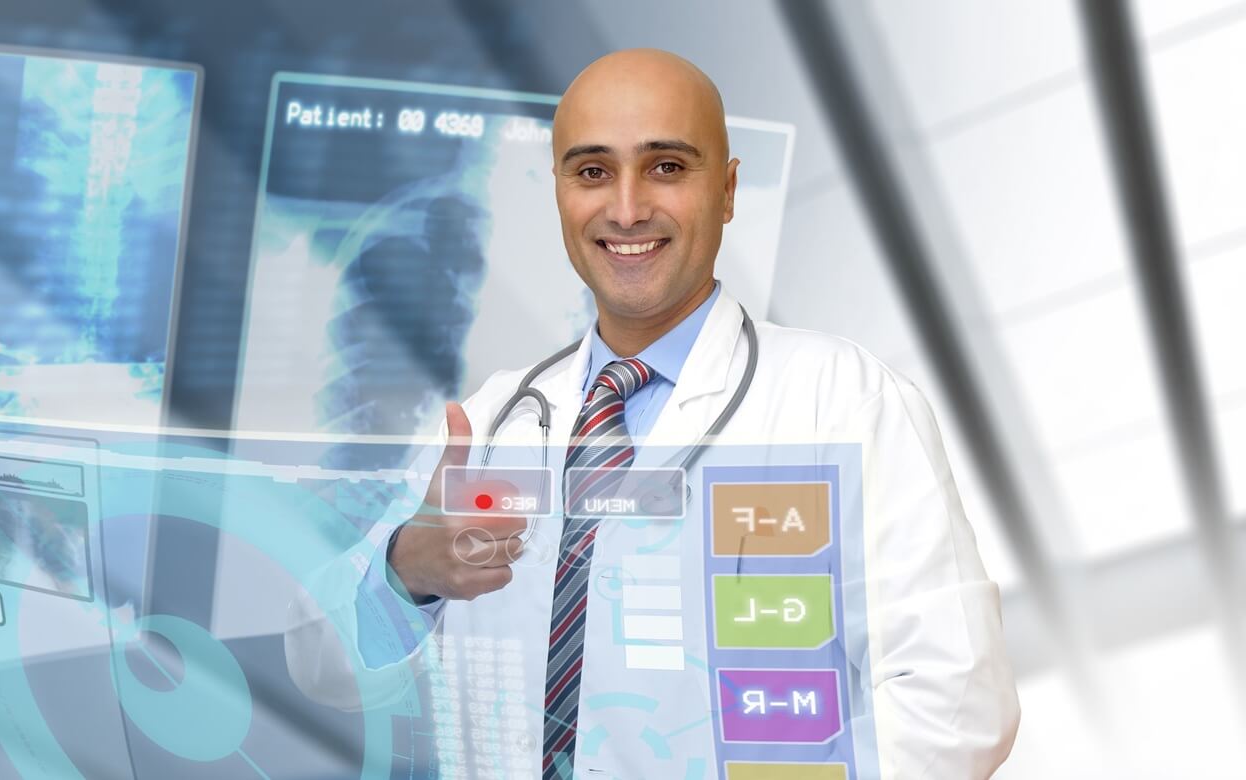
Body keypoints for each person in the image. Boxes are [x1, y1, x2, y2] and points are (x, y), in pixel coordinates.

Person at [287, 48, 1019, 778]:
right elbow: (323, 663)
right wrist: (406, 572)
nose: (627, 207)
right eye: (592, 171)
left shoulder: (845, 402)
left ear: (728, 191)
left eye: (667, 167)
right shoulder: (488, 424)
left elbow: (956, 700)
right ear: (560, 193)